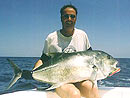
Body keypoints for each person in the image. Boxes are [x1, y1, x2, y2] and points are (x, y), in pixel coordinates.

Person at [33, 4, 100, 98]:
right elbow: (43, 59)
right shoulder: (51, 38)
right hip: (60, 80)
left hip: (80, 78)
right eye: (66, 16)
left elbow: (91, 57)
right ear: (61, 18)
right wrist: (33, 73)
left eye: (72, 16)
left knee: (92, 90)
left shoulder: (82, 35)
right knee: (74, 94)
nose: (69, 19)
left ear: (76, 19)